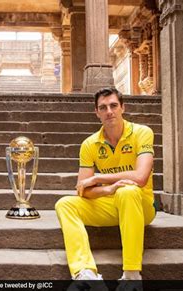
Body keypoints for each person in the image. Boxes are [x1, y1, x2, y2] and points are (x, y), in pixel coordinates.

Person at [55, 87, 156, 281]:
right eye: (103, 107)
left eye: (113, 106)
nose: (109, 111)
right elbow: (83, 190)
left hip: (141, 205)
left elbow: (141, 177)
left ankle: (132, 275)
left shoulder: (143, 132)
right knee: (64, 204)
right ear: (96, 112)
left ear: (122, 108)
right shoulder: (89, 144)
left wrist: (98, 178)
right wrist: (109, 188)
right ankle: (85, 273)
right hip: (111, 204)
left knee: (127, 191)